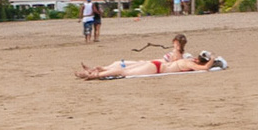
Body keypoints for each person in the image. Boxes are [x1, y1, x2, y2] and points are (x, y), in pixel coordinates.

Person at [75, 49, 220, 80]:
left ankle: (94, 72)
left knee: (122, 69)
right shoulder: (190, 63)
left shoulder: (189, 61)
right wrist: (213, 59)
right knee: (123, 71)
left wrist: (211, 59)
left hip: (155, 65)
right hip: (156, 67)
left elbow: (205, 67)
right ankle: (96, 74)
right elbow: (206, 67)